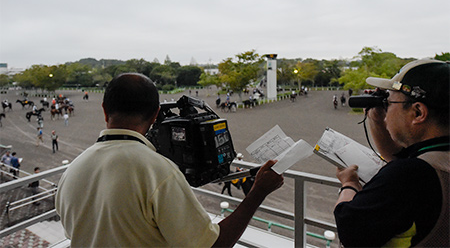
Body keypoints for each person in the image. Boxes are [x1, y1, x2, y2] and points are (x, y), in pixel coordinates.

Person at [56, 73, 284, 247]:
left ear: (105, 111)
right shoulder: (160, 172)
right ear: (156, 115)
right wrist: (258, 191)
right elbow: (214, 244)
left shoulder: (72, 171)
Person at [334, 59, 449, 247]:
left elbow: (349, 229)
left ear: (418, 112)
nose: (386, 109)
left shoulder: (409, 175)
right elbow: (397, 156)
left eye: (389, 102)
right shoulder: (433, 160)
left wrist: (349, 184)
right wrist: (377, 119)